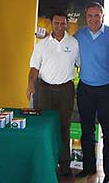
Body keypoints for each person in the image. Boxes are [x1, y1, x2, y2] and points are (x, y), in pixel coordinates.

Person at [26, 12, 79, 177]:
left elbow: (80, 65)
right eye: (56, 23)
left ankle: (64, 165)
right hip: (45, 90)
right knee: (45, 126)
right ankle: (47, 163)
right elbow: (34, 67)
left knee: (64, 127)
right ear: (51, 23)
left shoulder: (74, 43)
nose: (60, 26)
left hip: (66, 90)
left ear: (66, 24)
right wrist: (30, 85)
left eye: (63, 23)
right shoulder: (41, 45)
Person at [74, 2, 109, 183]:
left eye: (97, 15)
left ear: (103, 16)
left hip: (107, 89)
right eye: (90, 16)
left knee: (108, 132)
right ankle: (88, 167)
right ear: (86, 17)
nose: (93, 19)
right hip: (85, 88)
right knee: (86, 131)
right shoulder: (79, 35)